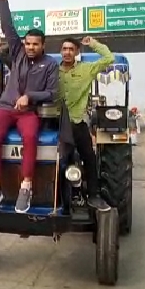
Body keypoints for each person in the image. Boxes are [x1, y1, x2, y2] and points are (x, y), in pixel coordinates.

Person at [0, 0, 59, 213]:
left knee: (30, 137)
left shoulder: (50, 65)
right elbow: (7, 26)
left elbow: (52, 93)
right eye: (28, 43)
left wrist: (30, 97)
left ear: (43, 45)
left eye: (35, 44)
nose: (30, 47)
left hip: (28, 112)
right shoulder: (16, 52)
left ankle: (26, 187)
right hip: (6, 107)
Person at [57, 36, 114, 210]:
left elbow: (109, 58)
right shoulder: (52, 70)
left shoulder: (86, 69)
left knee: (89, 157)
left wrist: (94, 44)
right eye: (64, 49)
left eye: (71, 49)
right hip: (56, 124)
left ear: (77, 52)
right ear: (60, 51)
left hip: (77, 123)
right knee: (58, 160)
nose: (67, 52)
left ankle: (93, 195)